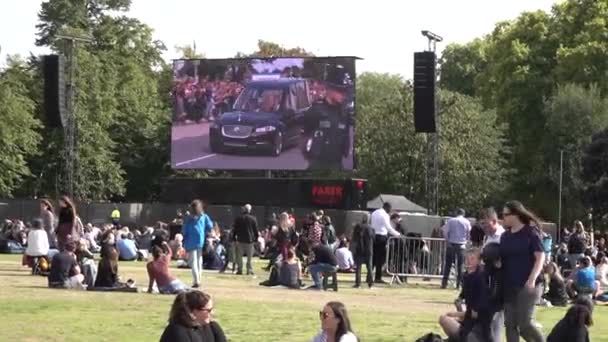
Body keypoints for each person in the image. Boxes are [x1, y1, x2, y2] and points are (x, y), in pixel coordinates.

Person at [500, 201, 545, 342]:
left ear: (516, 215)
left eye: (506, 215)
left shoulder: (531, 233)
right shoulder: (505, 236)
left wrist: (532, 279)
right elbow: (503, 259)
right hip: (509, 285)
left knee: (525, 324)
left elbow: (540, 257)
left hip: (528, 285)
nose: (503, 218)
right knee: (510, 324)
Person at [439, 248, 492, 342]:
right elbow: (464, 293)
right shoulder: (466, 275)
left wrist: (456, 313)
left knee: (446, 319)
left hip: (478, 325)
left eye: (472, 259)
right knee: (444, 319)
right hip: (468, 320)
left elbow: (477, 312)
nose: (468, 261)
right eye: (467, 258)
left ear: (479, 261)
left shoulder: (481, 277)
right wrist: (459, 300)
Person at [160, 291, 226, 342]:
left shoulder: (213, 327)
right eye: (208, 310)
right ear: (192, 311)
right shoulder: (176, 332)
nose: (212, 313)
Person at [182, 199, 213, 288]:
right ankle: (199, 278)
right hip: (200, 239)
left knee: (193, 261)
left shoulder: (188, 218)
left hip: (190, 240)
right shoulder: (204, 216)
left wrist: (184, 235)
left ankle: (196, 281)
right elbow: (210, 226)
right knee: (199, 260)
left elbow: (184, 229)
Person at [370, 202, 400, 284]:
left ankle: (369, 276)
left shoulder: (374, 213)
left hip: (373, 236)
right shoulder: (385, 215)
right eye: (390, 209)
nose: (390, 211)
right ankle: (377, 277)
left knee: (373, 257)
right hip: (381, 237)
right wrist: (398, 234)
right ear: (387, 207)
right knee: (380, 259)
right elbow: (388, 228)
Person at [441, 208, 471, 289]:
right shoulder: (467, 222)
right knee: (460, 265)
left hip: (451, 244)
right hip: (461, 245)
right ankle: (459, 284)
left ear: (456, 213)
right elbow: (469, 233)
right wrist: (466, 241)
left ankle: (444, 284)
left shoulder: (451, 220)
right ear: (463, 214)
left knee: (448, 264)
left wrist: (447, 240)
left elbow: (444, 231)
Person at [232, 204, 259, 276]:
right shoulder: (253, 219)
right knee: (249, 257)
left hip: (240, 239)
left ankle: (240, 269)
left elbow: (235, 229)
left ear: (244, 209)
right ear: (250, 210)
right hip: (250, 240)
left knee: (239, 256)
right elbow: (255, 230)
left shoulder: (238, 218)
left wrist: (234, 237)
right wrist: (256, 238)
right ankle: (249, 270)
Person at [351, 213, 375, 288]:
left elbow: (354, 238)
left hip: (359, 249)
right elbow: (374, 239)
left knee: (358, 267)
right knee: (369, 267)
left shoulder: (358, 226)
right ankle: (370, 283)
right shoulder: (371, 228)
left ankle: (358, 283)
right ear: (369, 219)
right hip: (369, 249)